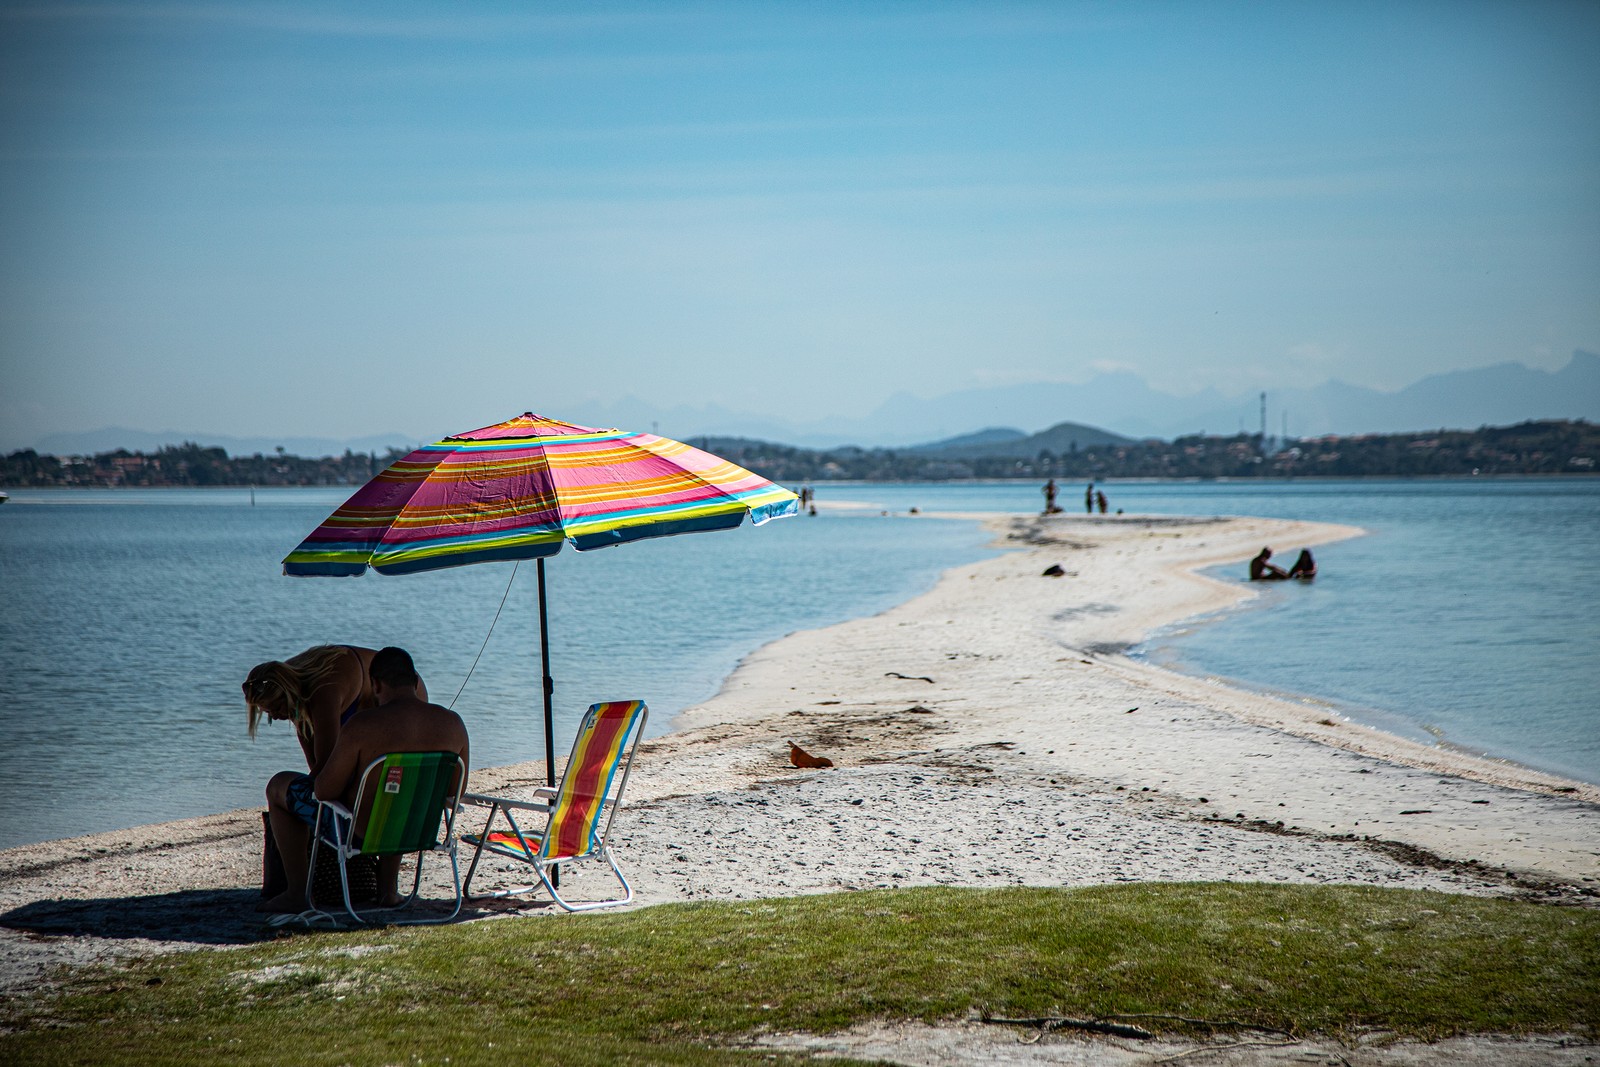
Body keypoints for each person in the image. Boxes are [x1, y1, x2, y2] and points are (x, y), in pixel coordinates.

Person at [258, 647, 467, 914]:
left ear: (376, 684)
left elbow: (323, 790)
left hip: (362, 835)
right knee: (400, 798)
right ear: (416, 682)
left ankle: (298, 893)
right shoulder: (454, 725)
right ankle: (388, 890)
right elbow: (454, 791)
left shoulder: (361, 726)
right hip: (417, 832)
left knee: (278, 785)